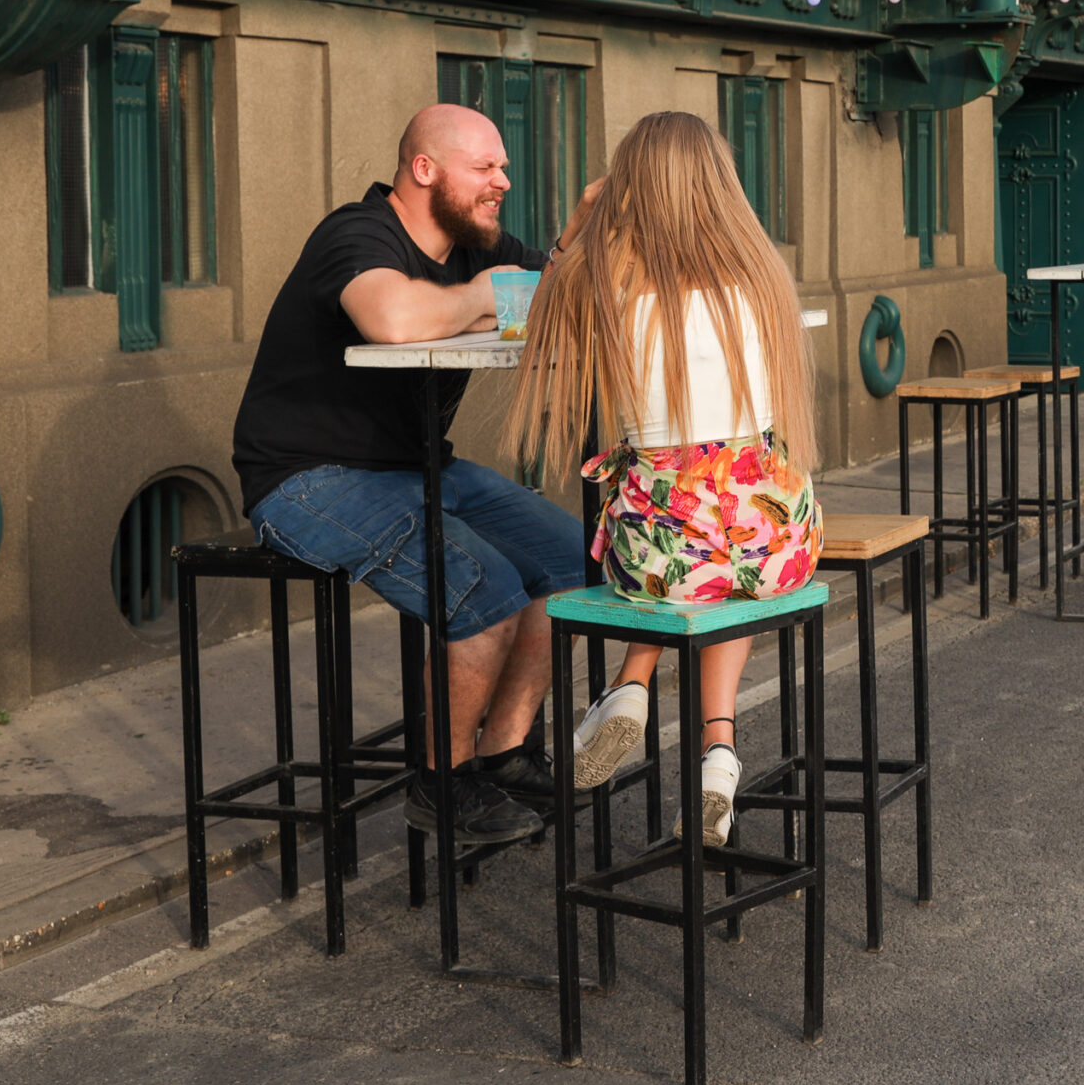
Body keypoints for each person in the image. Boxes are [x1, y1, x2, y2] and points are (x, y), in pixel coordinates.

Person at [235, 104, 598, 845]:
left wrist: (578, 237)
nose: (503, 180)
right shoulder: (357, 233)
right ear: (424, 170)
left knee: (575, 559)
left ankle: (505, 752)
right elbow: (394, 321)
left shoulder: (478, 245)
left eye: (502, 166)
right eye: (485, 167)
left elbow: (556, 302)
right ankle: (443, 782)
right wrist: (492, 297)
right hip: (307, 477)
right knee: (486, 589)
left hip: (420, 466)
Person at [508, 111, 823, 847]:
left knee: (678, 546)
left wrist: (579, 223)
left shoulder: (609, 284)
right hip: (775, 539)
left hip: (659, 552)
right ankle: (718, 751)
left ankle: (630, 684)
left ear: (632, 189)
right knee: (722, 559)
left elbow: (525, 320)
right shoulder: (764, 274)